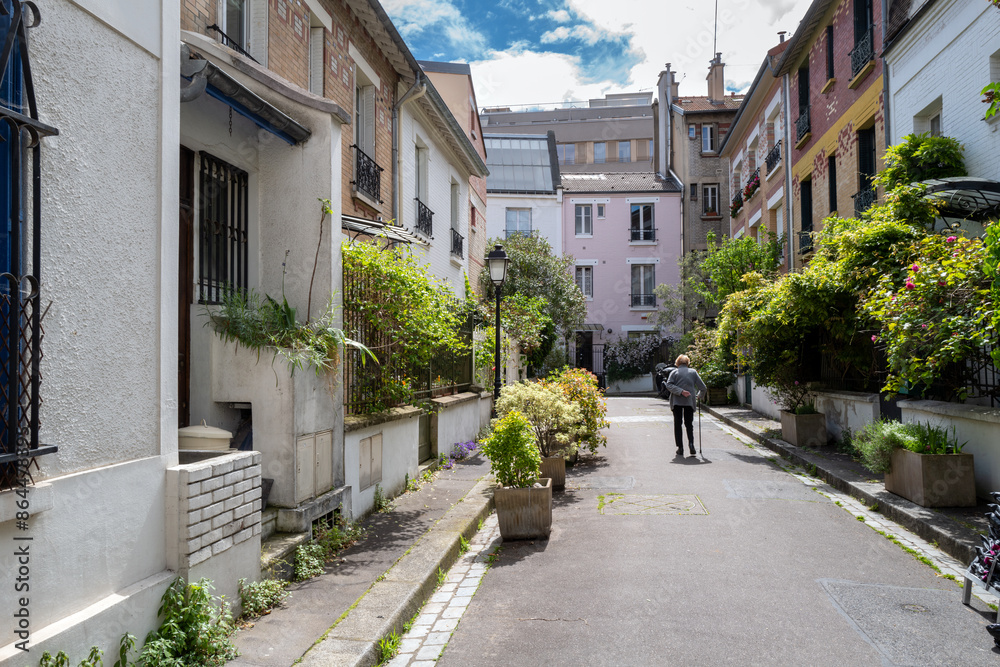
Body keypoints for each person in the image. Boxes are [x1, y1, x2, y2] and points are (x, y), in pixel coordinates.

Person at [664, 354, 708, 457]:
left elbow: (669, 385)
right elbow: (703, 388)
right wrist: (698, 396)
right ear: (687, 363)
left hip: (676, 402)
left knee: (677, 424)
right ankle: (691, 445)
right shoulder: (693, 372)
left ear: (677, 363)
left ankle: (680, 448)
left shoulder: (674, 372)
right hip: (689, 402)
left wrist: (680, 391)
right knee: (689, 424)